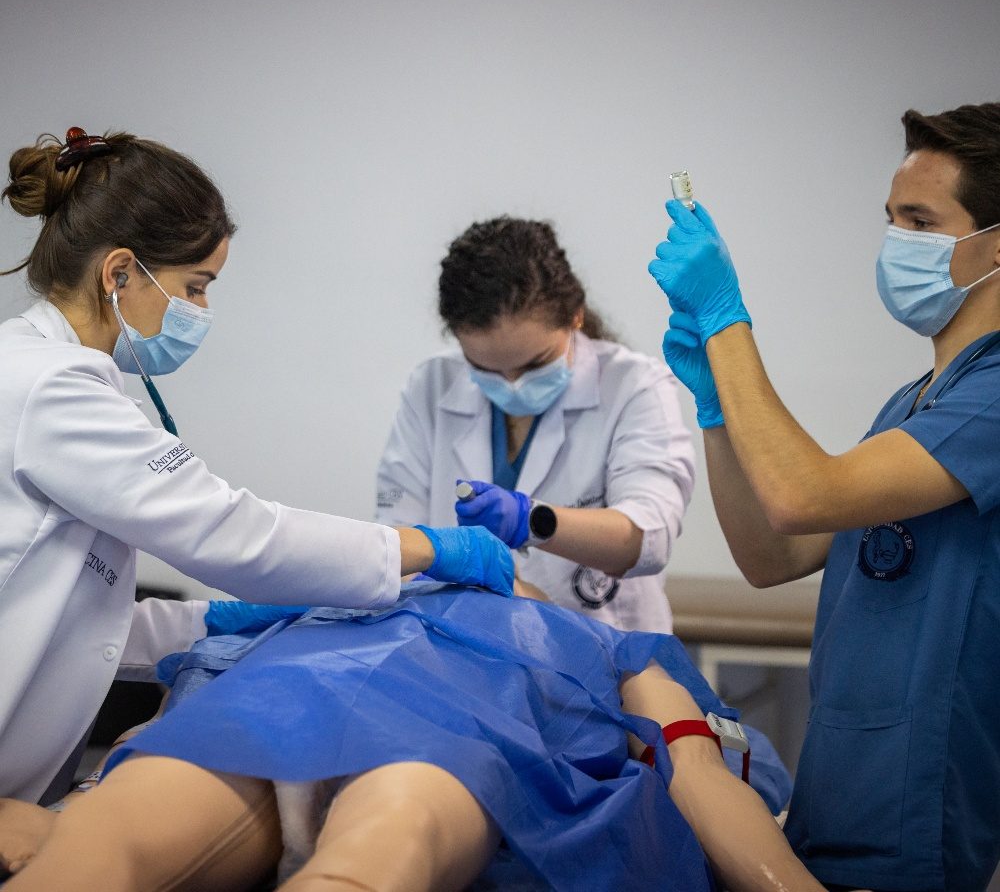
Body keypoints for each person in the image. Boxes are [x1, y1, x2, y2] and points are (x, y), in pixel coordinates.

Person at [0, 128, 514, 806]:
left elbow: (65, 613)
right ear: (119, 273)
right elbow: (230, 532)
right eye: (197, 286)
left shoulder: (46, 375)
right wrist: (431, 548)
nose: (202, 311)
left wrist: (210, 621)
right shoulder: (51, 387)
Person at [647, 102, 1000, 891]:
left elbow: (803, 494)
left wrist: (726, 319)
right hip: (837, 804)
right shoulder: (916, 403)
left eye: (920, 219)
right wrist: (714, 410)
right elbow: (772, 553)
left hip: (915, 819)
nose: (895, 242)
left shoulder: (996, 398)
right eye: (890, 219)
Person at [3, 583, 820, 892]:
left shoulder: (608, 642)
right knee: (107, 838)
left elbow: (700, 769)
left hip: (404, 741)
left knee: (375, 853)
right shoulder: (329, 595)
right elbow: (699, 770)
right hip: (302, 719)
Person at [376, 216, 695, 633]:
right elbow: (396, 536)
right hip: (463, 651)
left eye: (535, 365)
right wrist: (426, 569)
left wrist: (531, 520)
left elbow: (646, 539)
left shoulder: (634, 386)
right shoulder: (431, 386)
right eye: (486, 370)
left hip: (605, 649)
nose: (513, 386)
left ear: (576, 316)